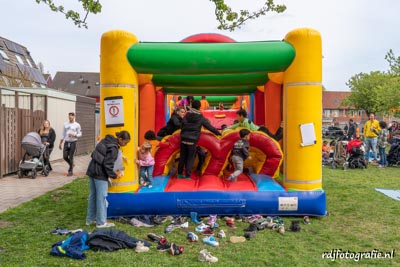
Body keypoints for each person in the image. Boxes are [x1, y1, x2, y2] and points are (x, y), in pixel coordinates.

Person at [86, 131, 131, 228]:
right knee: (101, 198)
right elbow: (107, 165)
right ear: (120, 139)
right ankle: (101, 222)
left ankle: (90, 219)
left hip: (92, 169)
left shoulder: (106, 140)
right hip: (100, 174)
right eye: (125, 142)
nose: (125, 145)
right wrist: (115, 175)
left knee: (93, 196)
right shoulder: (113, 148)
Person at [178, 100, 221, 179]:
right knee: (190, 157)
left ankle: (180, 174)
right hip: (192, 139)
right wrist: (219, 133)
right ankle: (187, 175)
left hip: (183, 138)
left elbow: (182, 124)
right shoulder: (200, 117)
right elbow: (209, 127)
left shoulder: (187, 115)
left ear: (191, 106)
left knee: (183, 156)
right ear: (199, 107)